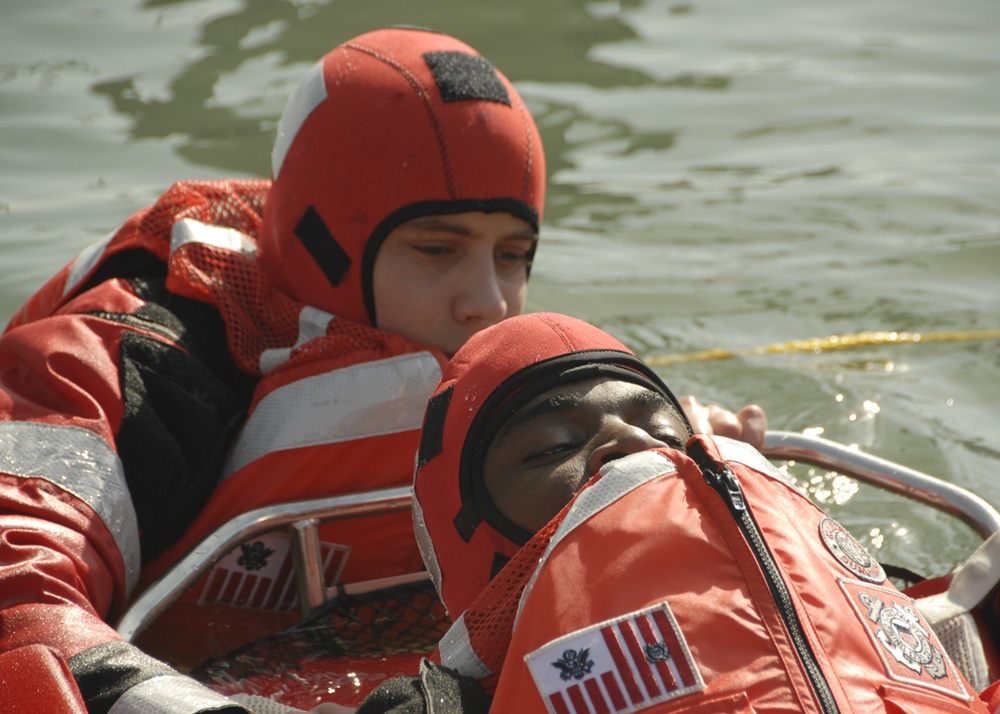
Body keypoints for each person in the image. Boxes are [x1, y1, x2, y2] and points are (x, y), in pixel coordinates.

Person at [0, 28, 764, 714]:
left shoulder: (525, 377)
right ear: (323, 245)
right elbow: (18, 600)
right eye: (438, 249)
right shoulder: (113, 367)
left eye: (513, 256)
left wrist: (673, 476)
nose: (488, 304)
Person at [356, 312, 992, 712]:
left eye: (660, 429)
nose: (634, 444)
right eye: (555, 446)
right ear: (478, 543)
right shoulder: (435, 705)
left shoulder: (908, 620)